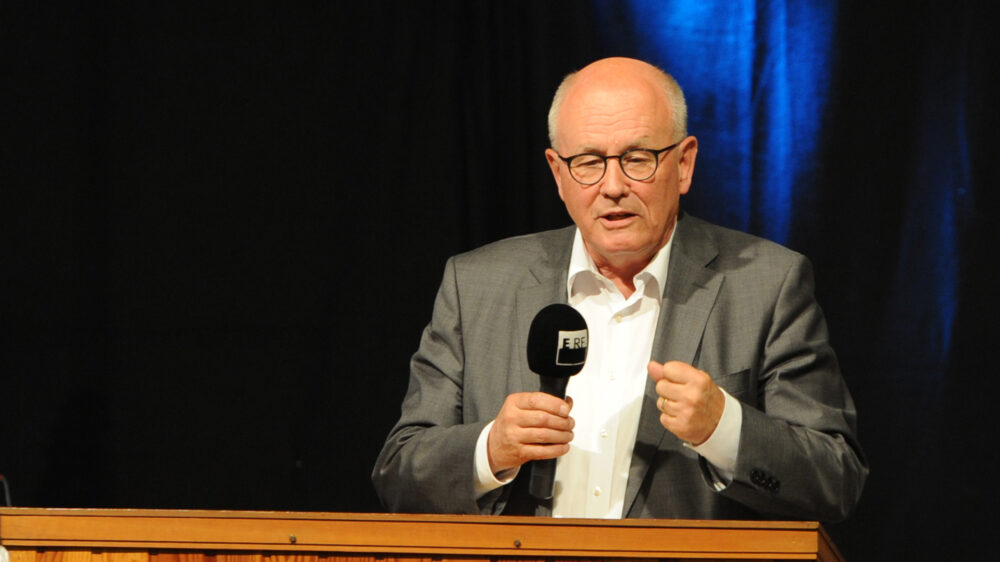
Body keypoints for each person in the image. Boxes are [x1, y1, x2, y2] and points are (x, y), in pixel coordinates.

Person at [372, 57, 867, 521]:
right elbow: (398, 474)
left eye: (638, 157)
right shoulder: (475, 284)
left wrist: (725, 428)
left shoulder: (767, 284)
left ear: (684, 163)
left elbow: (836, 479)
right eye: (588, 161)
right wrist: (491, 449)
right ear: (558, 174)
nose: (612, 186)